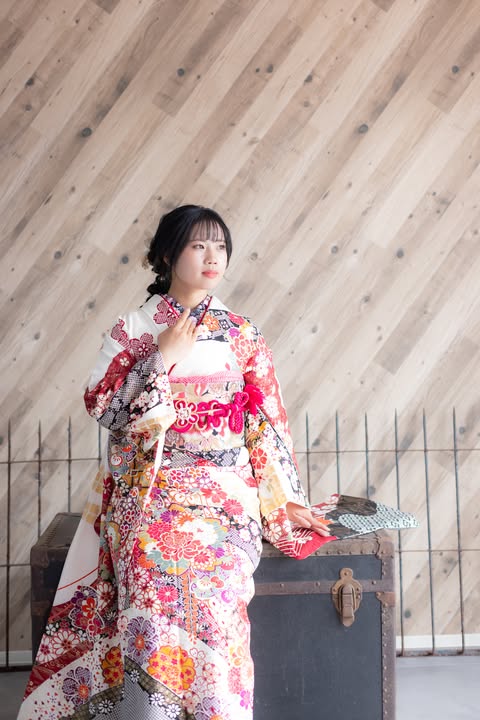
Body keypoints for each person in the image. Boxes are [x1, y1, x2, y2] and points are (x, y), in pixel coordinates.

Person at [18, 205, 330, 720]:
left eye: (220, 247)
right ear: (167, 255)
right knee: (147, 579)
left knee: (218, 593)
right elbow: (104, 407)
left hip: (224, 491)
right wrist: (161, 357)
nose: (213, 257)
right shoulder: (133, 329)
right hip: (150, 486)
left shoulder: (241, 333)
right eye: (198, 245)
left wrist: (284, 501)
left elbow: (266, 423)